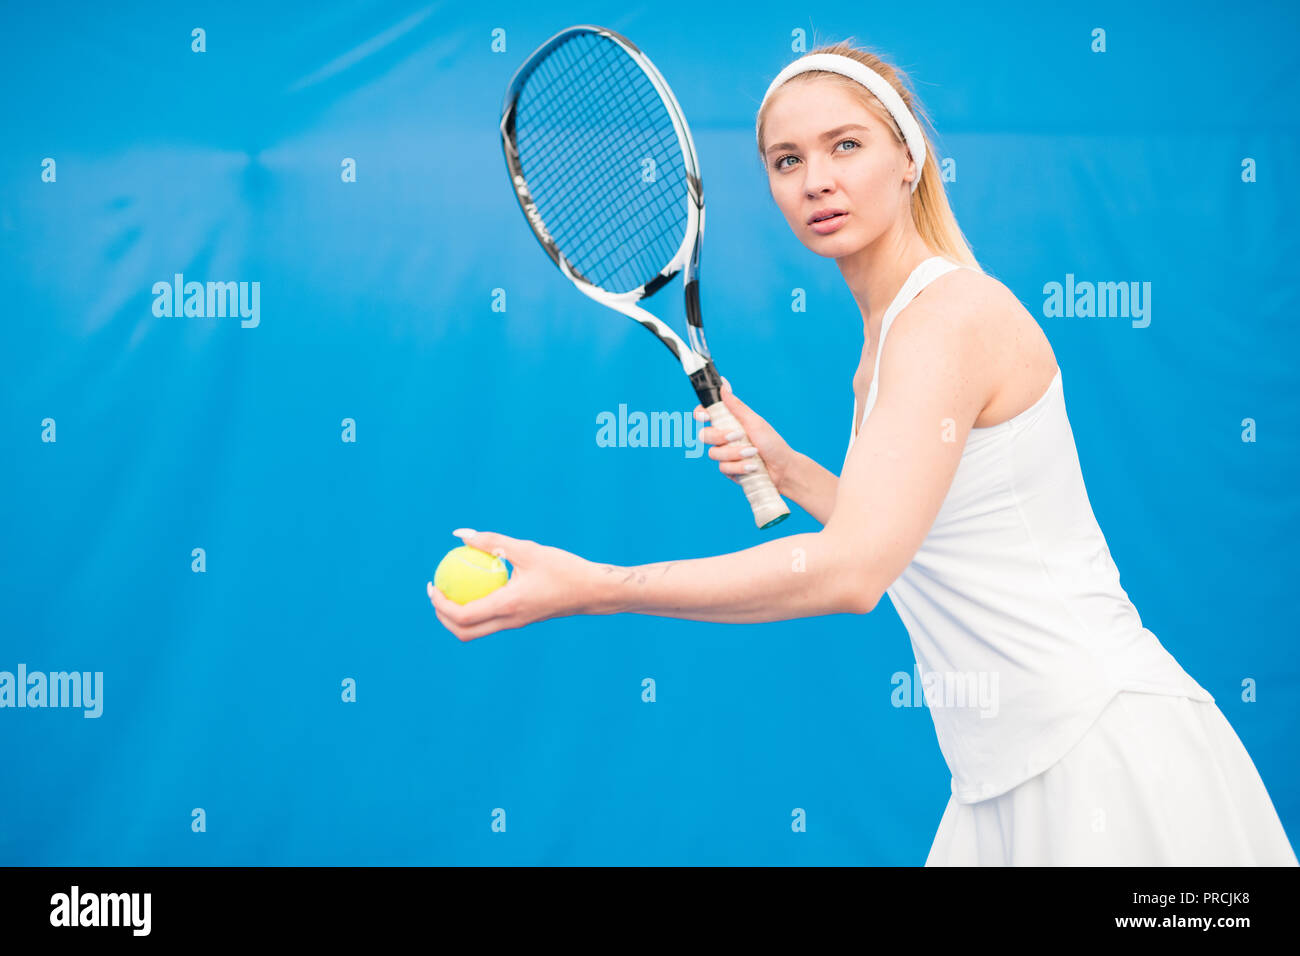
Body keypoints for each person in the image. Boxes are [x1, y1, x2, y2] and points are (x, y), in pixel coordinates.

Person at [429, 40, 1299, 866]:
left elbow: (853, 574)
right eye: (787, 160)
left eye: (846, 145)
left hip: (1109, 758)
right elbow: (915, 540)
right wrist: (791, 467)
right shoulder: (885, 344)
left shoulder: (947, 320)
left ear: (909, 156)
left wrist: (596, 587)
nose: (818, 181)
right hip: (998, 776)